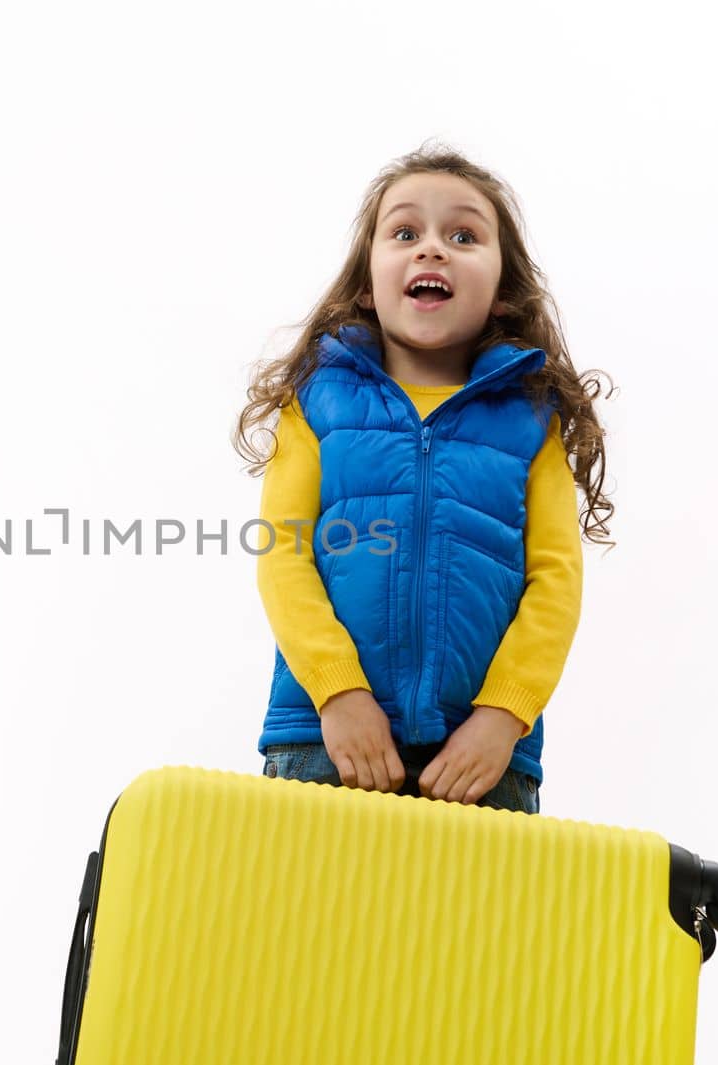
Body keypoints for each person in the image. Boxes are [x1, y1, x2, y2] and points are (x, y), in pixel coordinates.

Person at [233, 141, 616, 814]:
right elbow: (283, 555)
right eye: (405, 232)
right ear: (365, 282)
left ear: (503, 293)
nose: (431, 248)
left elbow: (555, 578)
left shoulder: (532, 419)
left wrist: (503, 716)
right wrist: (339, 693)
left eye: (463, 235)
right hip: (325, 738)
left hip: (481, 757)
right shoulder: (317, 400)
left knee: (472, 923)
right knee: (313, 920)